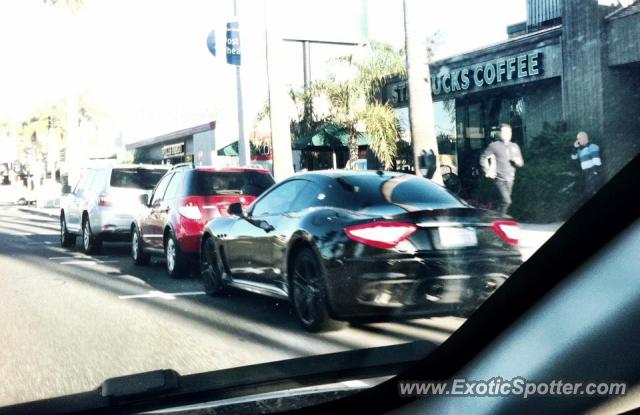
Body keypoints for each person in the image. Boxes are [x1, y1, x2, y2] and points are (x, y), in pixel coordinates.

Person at [479, 124, 524, 215]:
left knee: (502, 202)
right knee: (507, 201)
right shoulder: (494, 146)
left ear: (511, 133)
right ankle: (500, 219)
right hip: (499, 179)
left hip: (510, 179)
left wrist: (518, 162)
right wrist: (487, 171)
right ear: (499, 133)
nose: (506, 134)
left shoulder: (514, 146)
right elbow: (483, 158)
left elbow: (521, 163)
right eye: (504, 132)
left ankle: (494, 218)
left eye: (508, 132)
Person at [571, 131, 604, 197]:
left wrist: (594, 172)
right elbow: (573, 157)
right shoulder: (580, 150)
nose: (578, 141)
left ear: (584, 138)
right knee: (588, 192)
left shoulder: (592, 146)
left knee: (593, 190)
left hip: (592, 172)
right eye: (577, 139)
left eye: (579, 138)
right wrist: (575, 147)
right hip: (585, 173)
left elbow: (596, 161)